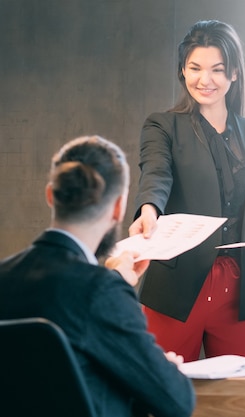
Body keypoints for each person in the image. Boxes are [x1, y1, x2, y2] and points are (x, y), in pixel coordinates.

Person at [129, 20, 245, 364]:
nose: (204, 80)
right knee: (166, 393)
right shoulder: (163, 126)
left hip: (242, 288)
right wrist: (149, 209)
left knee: (242, 399)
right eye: (195, 68)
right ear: (183, 69)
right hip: (178, 286)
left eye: (217, 70)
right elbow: (156, 173)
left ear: (234, 73)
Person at [0, 136, 195, 417]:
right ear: (118, 208)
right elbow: (176, 401)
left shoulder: (5, 277)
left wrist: (114, 281)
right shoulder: (101, 293)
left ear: (50, 195)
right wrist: (168, 372)